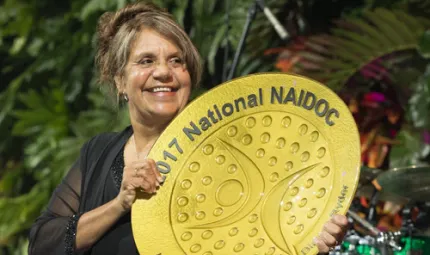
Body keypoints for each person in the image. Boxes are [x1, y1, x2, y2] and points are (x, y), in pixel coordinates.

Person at [28, 2, 348, 254]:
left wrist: (310, 246)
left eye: (177, 61)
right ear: (119, 80)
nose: (164, 72)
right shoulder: (98, 151)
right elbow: (43, 244)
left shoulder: (224, 159)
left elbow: (263, 243)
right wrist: (121, 204)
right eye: (146, 61)